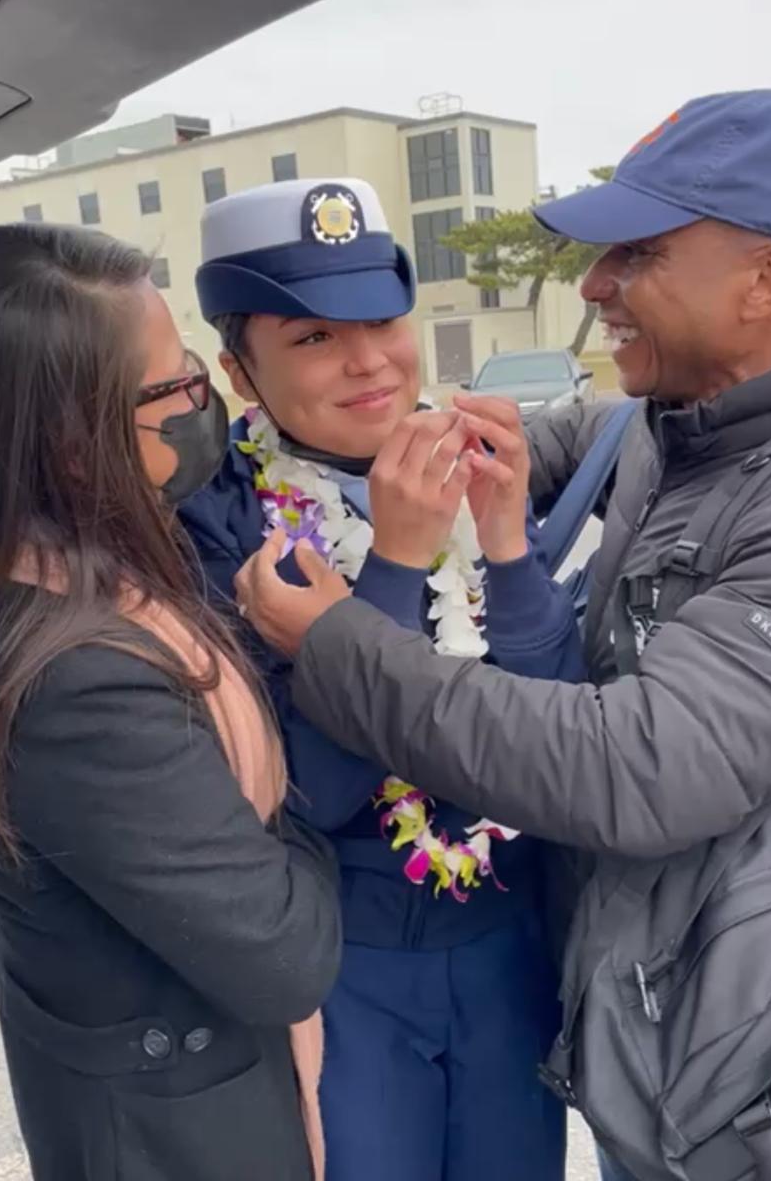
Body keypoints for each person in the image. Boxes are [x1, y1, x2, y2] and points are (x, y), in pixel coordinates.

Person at [237, 88, 771, 1175]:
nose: (593, 289)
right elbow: (498, 449)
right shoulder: (667, 422)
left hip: (759, 1087)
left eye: (634, 254)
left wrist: (341, 634)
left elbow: (634, 766)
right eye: (314, 333)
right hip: (645, 1039)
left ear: (767, 277)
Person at [180, 178, 586, 1181]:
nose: (368, 360)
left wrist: (501, 542)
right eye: (313, 337)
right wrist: (394, 571)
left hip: (503, 938)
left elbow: (555, 731)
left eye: (379, 319)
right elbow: (313, 789)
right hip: (347, 961)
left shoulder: (462, 462)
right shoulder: (217, 522)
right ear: (240, 369)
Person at [0, 223, 341, 1181]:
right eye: (171, 387)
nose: (199, 403)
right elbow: (283, 954)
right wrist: (299, 794)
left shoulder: (69, 568)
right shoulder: (71, 681)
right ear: (68, 439)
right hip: (176, 1139)